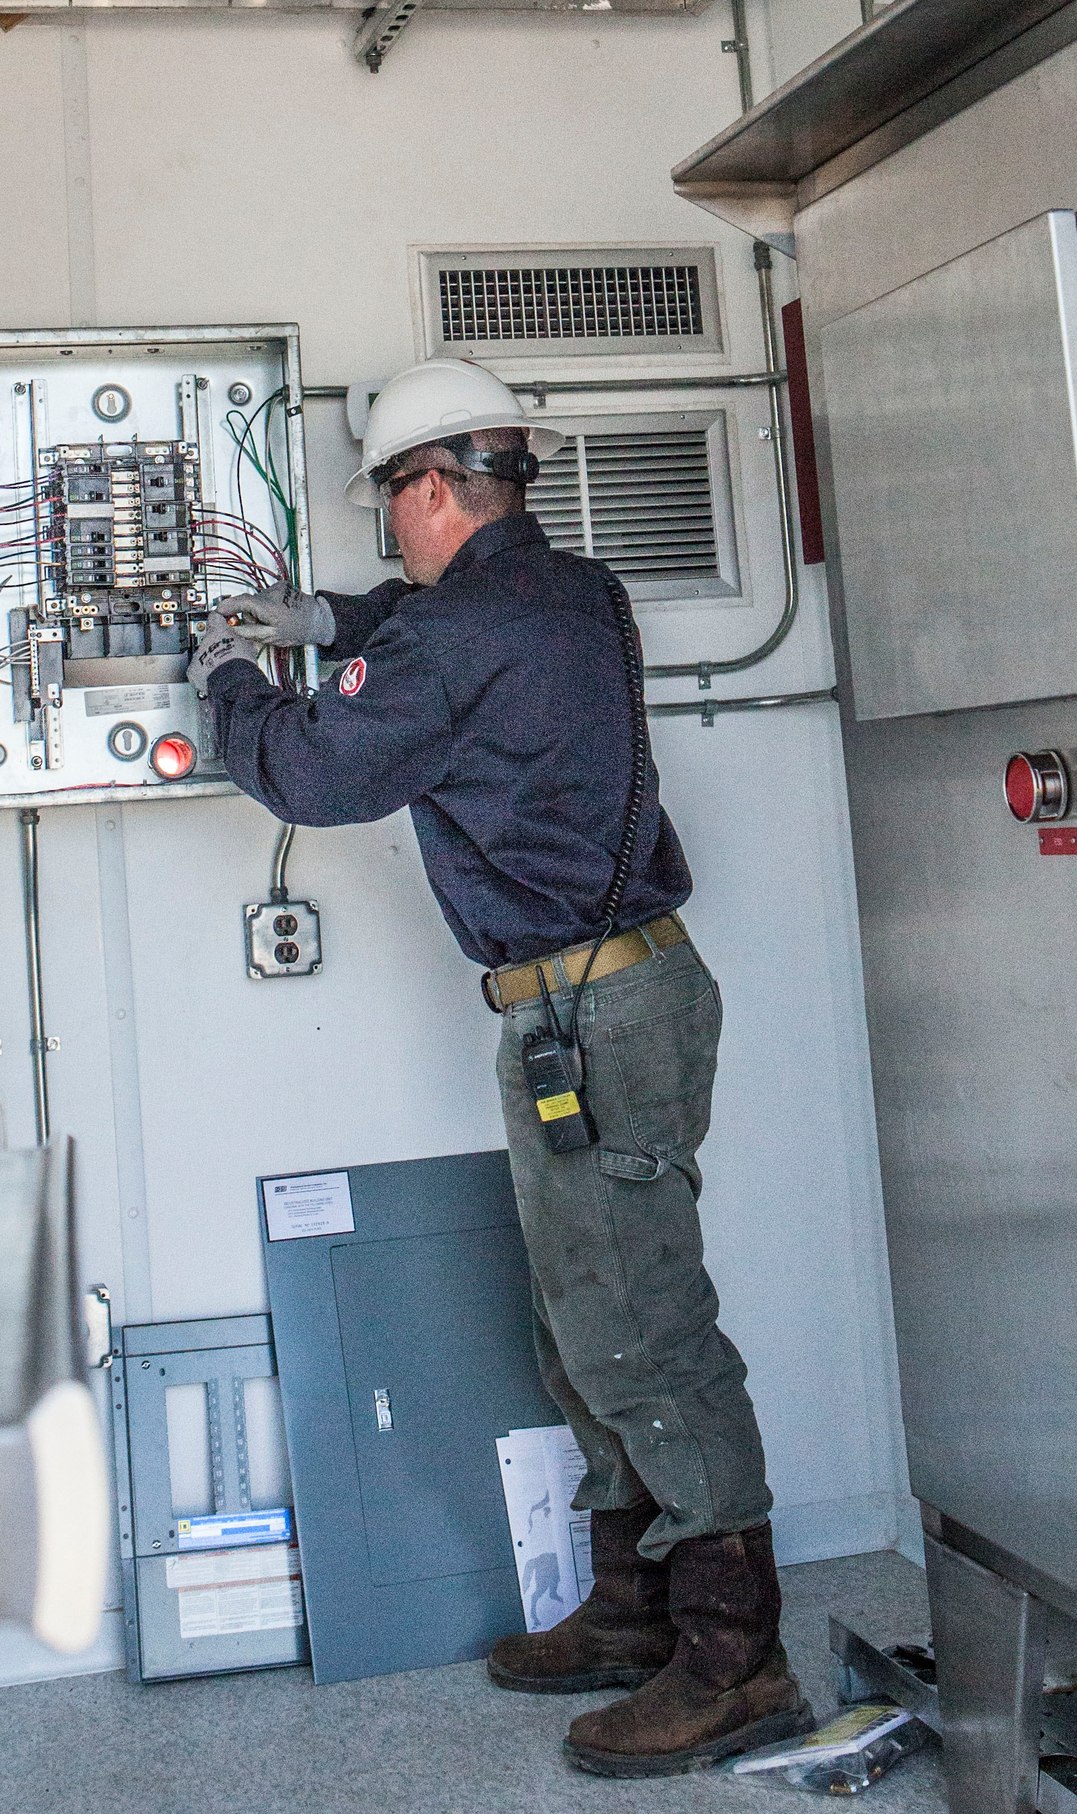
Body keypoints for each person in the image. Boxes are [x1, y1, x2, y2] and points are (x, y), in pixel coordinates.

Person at [187, 358, 813, 1778]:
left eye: (389, 504)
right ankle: (631, 1602)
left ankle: (735, 1654)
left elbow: (309, 773)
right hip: (599, 1007)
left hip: (595, 1019)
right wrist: (328, 618)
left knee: (641, 1329)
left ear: (424, 490)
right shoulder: (569, 592)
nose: (389, 535)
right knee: (582, 1314)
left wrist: (230, 679)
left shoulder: (458, 642)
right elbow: (424, 622)